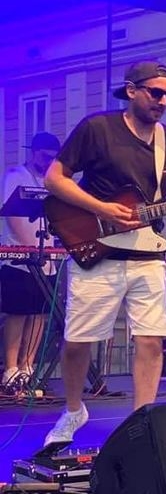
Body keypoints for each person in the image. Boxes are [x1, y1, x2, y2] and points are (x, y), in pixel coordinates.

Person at [42, 60, 166, 446]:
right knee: (77, 341)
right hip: (98, 252)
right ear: (131, 90)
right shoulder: (97, 128)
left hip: (148, 255)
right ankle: (73, 411)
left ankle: (142, 422)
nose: (163, 101)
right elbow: (54, 179)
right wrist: (101, 208)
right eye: (155, 93)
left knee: (151, 340)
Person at [0, 132, 61, 386]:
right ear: (34, 153)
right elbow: (12, 216)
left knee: (39, 313)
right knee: (18, 312)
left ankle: (28, 365)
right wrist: (31, 248)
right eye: (45, 157)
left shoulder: (51, 181)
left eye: (52, 158)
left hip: (47, 258)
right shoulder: (16, 176)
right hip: (19, 258)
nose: (48, 162)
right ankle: (11, 367)